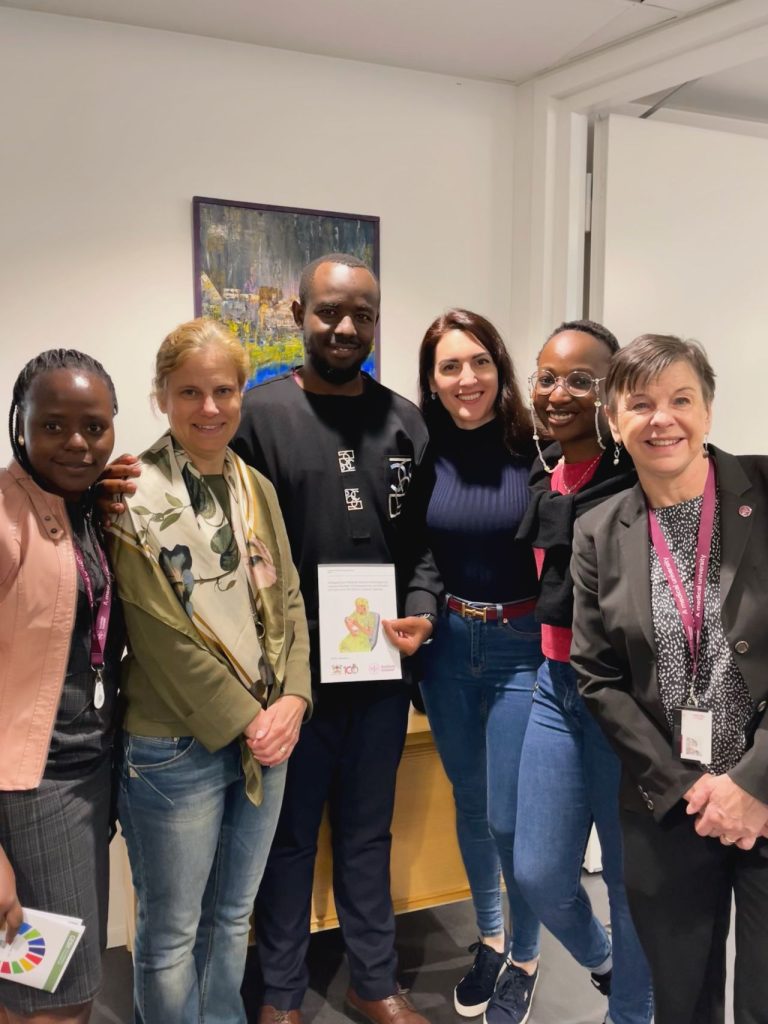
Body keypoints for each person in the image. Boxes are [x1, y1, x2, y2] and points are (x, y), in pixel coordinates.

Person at [99, 254, 441, 1024]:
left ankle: (375, 980)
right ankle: (280, 995)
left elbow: (419, 545)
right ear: (299, 315)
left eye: (362, 314)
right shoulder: (257, 417)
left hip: (372, 671)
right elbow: (194, 523)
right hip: (276, 688)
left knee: (366, 834)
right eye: (328, 312)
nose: (345, 327)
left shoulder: (405, 422)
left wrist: (421, 606)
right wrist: (106, 481)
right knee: (281, 846)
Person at [106, 318, 311, 1024]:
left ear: (242, 393)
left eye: (224, 389)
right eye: (189, 391)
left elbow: (287, 597)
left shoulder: (254, 486)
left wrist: (295, 698)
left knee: (232, 919)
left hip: (267, 738)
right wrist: (253, 719)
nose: (210, 407)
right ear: (161, 395)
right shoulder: (130, 496)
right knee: (169, 936)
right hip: (174, 749)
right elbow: (161, 637)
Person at [570, 333, 768, 1024]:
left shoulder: (765, 491)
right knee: (682, 1002)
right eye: (641, 404)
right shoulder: (598, 529)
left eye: (681, 399)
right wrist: (686, 789)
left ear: (708, 411)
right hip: (670, 802)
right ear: (616, 423)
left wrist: (750, 783)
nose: (663, 419)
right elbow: (596, 674)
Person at [514, 321, 653, 1024]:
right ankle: (604, 963)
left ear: (611, 390)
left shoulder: (639, 476)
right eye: (546, 376)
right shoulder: (545, 469)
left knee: (629, 884)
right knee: (539, 872)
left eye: (579, 379)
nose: (557, 392)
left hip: (623, 701)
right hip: (553, 685)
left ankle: (631, 1013)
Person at [416, 309, 543, 1024]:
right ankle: (490, 939)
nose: (467, 379)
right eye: (449, 367)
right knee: (469, 803)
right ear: (432, 383)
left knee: (508, 814)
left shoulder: (539, 451)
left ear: (500, 368)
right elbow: (425, 555)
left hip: (521, 647)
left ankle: (525, 957)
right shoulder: (425, 452)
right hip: (448, 646)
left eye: (479, 362)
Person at [0, 350, 122, 1024]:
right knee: (59, 992)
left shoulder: (83, 508)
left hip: (87, 773)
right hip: (31, 789)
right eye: (54, 426)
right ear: (19, 425)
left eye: (95, 427)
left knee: (29, 976)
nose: (77, 443)